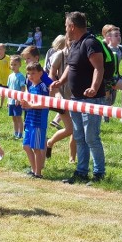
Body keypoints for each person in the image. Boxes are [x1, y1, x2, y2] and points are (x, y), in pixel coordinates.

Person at [52, 11, 106, 185]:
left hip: (92, 100)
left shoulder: (91, 43)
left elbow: (99, 68)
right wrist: (60, 81)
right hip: (75, 99)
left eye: (66, 25)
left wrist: (94, 87)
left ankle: (99, 174)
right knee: (79, 137)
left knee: (91, 137)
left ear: (72, 26)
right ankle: (81, 172)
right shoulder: (75, 44)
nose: (65, 28)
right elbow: (70, 66)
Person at [20, 62, 53, 178]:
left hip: (38, 122)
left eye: (33, 73)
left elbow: (45, 104)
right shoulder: (31, 87)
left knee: (36, 148)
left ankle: (38, 173)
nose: (30, 76)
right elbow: (30, 103)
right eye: (28, 73)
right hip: (30, 120)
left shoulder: (42, 86)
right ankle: (34, 170)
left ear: (40, 73)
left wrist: (31, 106)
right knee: (26, 146)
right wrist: (25, 104)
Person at [46, 34, 76, 163]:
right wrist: (56, 92)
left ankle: (72, 158)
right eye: (71, 41)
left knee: (76, 129)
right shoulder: (59, 55)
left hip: (77, 96)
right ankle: (50, 142)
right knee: (70, 129)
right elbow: (51, 75)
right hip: (62, 96)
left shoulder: (79, 55)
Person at [6, 55, 26, 139]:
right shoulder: (10, 76)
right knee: (13, 118)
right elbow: (9, 89)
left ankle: (20, 133)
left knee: (18, 117)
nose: (13, 66)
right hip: (11, 101)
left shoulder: (21, 76)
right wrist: (8, 100)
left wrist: (19, 98)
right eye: (12, 64)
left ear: (19, 65)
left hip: (17, 101)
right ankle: (15, 132)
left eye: (15, 64)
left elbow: (22, 88)